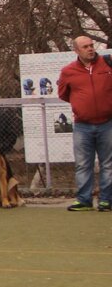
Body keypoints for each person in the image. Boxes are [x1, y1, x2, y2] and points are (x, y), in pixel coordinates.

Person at [57, 35, 112, 211]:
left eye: (91, 45)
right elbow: (63, 94)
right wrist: (82, 104)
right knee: (83, 164)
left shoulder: (108, 64)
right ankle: (84, 200)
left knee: (108, 164)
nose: (90, 49)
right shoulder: (68, 71)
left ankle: (106, 200)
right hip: (82, 125)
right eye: (85, 47)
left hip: (107, 123)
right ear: (76, 50)